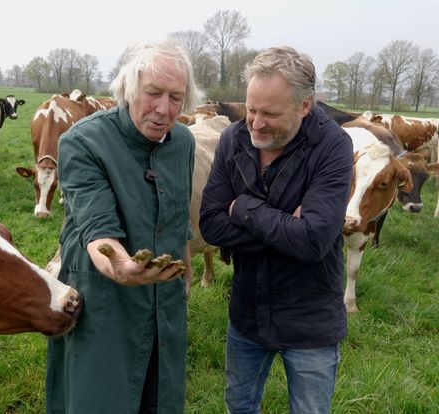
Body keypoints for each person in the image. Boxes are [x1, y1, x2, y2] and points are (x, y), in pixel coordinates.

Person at [45, 40, 203, 414]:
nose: (164, 110)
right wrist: (119, 265)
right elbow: (96, 227)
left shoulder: (183, 141)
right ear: (130, 88)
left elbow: (178, 213)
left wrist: (185, 269)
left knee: (160, 397)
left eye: (176, 98)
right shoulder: (84, 141)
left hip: (163, 297)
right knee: (100, 397)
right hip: (103, 297)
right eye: (153, 93)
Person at [199, 46, 353, 414]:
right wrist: (287, 221)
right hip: (247, 312)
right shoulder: (233, 140)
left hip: (310, 319)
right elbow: (210, 225)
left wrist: (244, 207)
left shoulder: (333, 146)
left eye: (270, 113)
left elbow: (313, 241)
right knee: (239, 405)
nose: (255, 123)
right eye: (251, 110)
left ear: (305, 105)